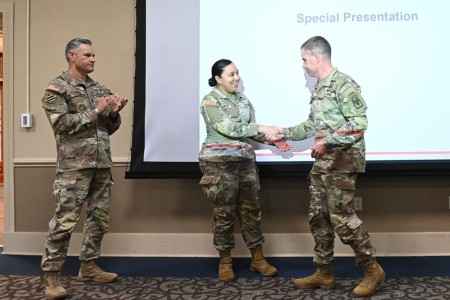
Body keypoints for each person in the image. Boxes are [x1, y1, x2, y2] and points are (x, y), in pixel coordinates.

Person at [272, 36, 385, 297]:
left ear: (316, 57)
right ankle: (324, 272)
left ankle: (372, 268)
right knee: (318, 218)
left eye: (304, 59)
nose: (303, 65)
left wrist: (329, 141)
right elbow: (311, 126)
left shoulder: (343, 84)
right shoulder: (320, 88)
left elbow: (359, 122)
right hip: (323, 163)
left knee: (342, 217)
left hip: (342, 161)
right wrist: (283, 133)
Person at [40, 38, 128, 300]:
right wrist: (95, 111)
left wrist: (113, 113)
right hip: (73, 169)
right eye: (87, 55)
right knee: (64, 222)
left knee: (99, 220)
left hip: (101, 164)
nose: (93, 59)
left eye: (94, 55)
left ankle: (88, 267)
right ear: (71, 56)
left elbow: (108, 128)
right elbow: (61, 124)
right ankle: (52, 277)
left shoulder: (99, 88)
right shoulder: (57, 88)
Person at [198, 59, 288, 282]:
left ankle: (258, 260)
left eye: (237, 73)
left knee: (251, 211)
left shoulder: (243, 100)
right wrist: (260, 127)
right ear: (218, 79)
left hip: (244, 164)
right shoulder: (210, 100)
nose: (236, 77)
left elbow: (250, 133)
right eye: (231, 74)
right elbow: (227, 128)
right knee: (224, 214)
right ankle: (225, 261)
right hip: (219, 165)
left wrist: (272, 140)